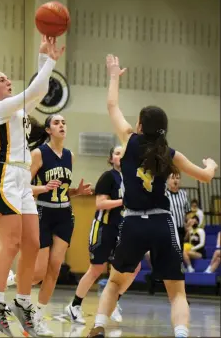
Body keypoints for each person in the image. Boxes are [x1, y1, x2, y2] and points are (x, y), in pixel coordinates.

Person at [87, 54, 218, 338]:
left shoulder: (129, 141)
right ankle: (181, 334)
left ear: (140, 126)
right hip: (162, 224)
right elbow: (206, 177)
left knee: (114, 283)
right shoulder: (170, 154)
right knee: (177, 292)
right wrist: (212, 165)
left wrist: (113, 76)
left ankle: (98, 325)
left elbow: (111, 105)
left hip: (133, 223)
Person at [0, 36, 64, 337]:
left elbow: (36, 95)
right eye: (2, 79)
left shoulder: (18, 111)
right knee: (10, 244)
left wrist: (42, 58)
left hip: (23, 180)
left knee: (32, 245)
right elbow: (36, 90)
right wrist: (50, 62)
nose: (7, 80)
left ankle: (23, 304)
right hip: (3, 177)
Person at [0, 114, 92, 336]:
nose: (62, 125)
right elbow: (24, 187)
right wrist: (42, 188)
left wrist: (76, 192)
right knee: (38, 273)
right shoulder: (38, 154)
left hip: (64, 215)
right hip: (42, 212)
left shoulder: (70, 156)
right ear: (48, 130)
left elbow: (61, 189)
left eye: (64, 122)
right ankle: (8, 280)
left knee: (54, 269)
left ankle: (38, 316)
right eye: (56, 123)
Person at [65, 146, 140, 325]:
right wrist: (123, 201)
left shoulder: (132, 179)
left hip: (123, 230)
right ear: (111, 158)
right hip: (103, 228)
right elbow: (100, 204)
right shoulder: (108, 177)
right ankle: (74, 305)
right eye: (117, 154)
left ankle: (114, 302)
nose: (120, 157)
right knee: (96, 269)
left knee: (133, 267)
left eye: (124, 154)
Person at [166, 173, 191, 250]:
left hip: (180, 229)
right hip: (168, 229)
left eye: (177, 178)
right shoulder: (164, 194)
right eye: (173, 178)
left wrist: (189, 223)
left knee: (179, 252)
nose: (175, 180)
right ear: (168, 180)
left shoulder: (183, 194)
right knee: (170, 252)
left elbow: (188, 211)